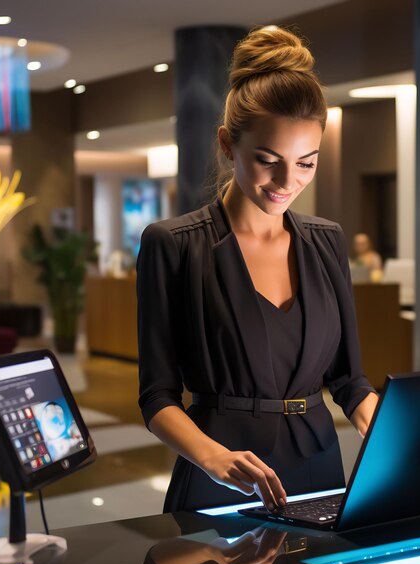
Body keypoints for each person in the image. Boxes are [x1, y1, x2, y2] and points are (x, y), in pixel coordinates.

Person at [137, 25, 378, 514]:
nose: (287, 182)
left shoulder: (326, 241)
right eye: (268, 161)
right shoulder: (174, 245)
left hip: (319, 466)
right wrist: (212, 458)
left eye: (306, 163)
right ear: (227, 144)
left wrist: (390, 431)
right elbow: (156, 397)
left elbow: (350, 381)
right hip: (222, 475)